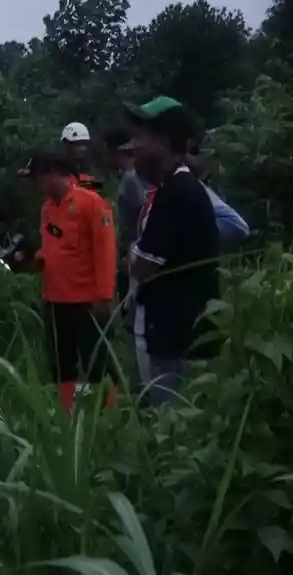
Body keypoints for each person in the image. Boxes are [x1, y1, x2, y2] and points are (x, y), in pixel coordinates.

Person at [126, 97, 221, 406]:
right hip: (184, 332)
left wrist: (133, 252)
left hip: (175, 336)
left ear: (164, 142)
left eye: (142, 137)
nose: (135, 145)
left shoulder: (175, 194)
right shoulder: (180, 187)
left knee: (170, 418)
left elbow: (142, 265)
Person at [14, 150, 120, 413]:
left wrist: (104, 296)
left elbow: (105, 251)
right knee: (61, 361)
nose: (34, 185)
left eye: (36, 178)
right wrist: (33, 260)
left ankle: (109, 413)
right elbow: (54, 244)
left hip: (86, 300)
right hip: (55, 298)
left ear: (51, 174)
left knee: (96, 360)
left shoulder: (91, 203)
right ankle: (67, 413)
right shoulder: (48, 209)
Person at [103, 128, 148, 305]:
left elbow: (141, 213)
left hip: (134, 249)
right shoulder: (131, 175)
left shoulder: (131, 179)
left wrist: (130, 251)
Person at [61, 122, 102, 192]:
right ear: (67, 144)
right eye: (77, 144)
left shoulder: (86, 167)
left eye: (85, 144)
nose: (82, 148)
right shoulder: (58, 169)